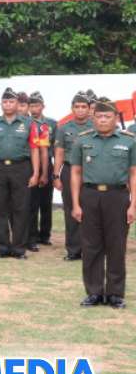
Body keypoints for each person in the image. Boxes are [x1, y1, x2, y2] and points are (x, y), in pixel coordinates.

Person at [69, 97, 135, 309]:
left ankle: (115, 293)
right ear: (93, 118)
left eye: (108, 116)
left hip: (118, 197)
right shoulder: (82, 140)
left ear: (116, 118)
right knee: (91, 246)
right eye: (99, 116)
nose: (103, 120)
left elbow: (133, 174)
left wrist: (133, 205)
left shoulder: (129, 141)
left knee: (116, 245)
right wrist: (76, 204)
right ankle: (94, 292)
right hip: (90, 196)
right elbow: (76, 172)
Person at [0, 87, 39, 259]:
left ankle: (19, 249)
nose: (8, 104)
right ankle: (3, 248)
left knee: (21, 209)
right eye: (5, 101)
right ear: (1, 104)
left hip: (21, 168)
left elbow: (35, 150)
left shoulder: (28, 124)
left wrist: (35, 173)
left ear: (17, 104)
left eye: (11, 101)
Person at [53, 92, 93, 261]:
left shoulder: (96, 127)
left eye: (84, 106)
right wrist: (56, 175)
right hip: (69, 171)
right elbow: (59, 152)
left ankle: (91, 251)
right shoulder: (64, 128)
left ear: (90, 109)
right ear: (72, 108)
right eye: (77, 106)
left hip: (91, 172)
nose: (80, 110)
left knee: (91, 211)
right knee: (71, 210)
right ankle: (73, 250)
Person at [28, 92, 57, 247]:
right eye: (31, 105)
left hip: (47, 163)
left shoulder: (52, 123)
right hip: (31, 164)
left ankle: (45, 235)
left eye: (36, 105)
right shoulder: (25, 123)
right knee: (32, 202)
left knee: (46, 202)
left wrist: (46, 172)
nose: (34, 108)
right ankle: (31, 235)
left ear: (43, 106)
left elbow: (56, 146)